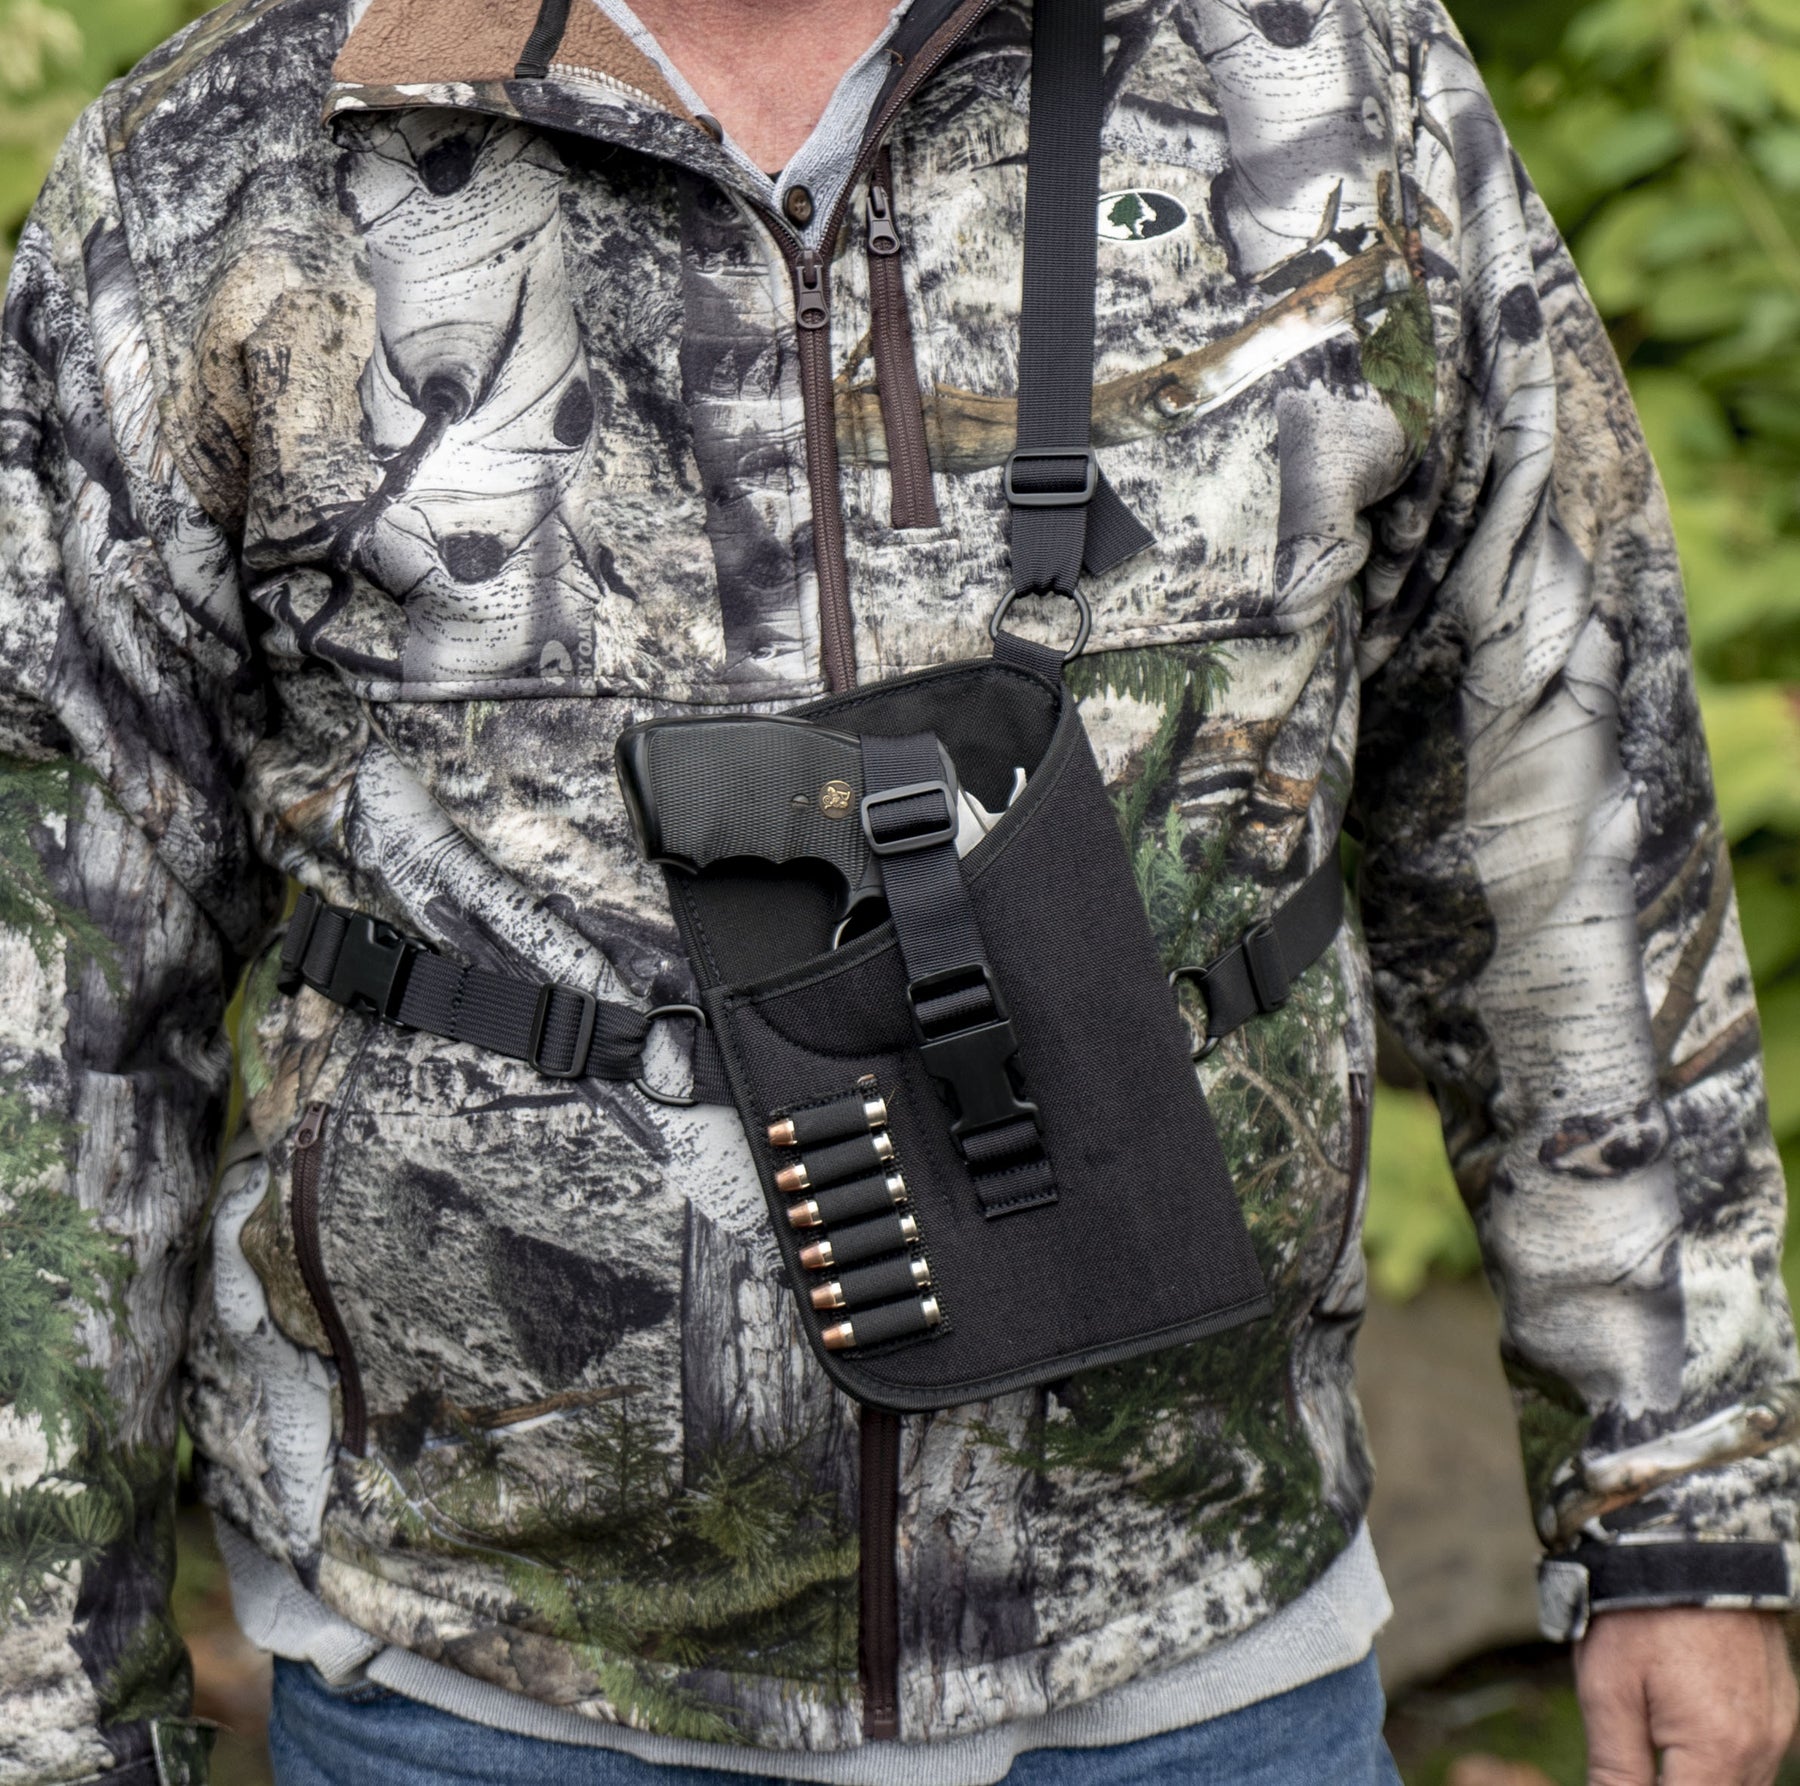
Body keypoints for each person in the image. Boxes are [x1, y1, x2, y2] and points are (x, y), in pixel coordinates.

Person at [1, 0, 1795, 1781]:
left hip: (1205, 1654)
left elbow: (1561, 799)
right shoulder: (232, 155)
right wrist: (48, 1700)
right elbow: (54, 984)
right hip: (476, 1686)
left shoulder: (1324, 73)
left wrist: (1686, 1499)